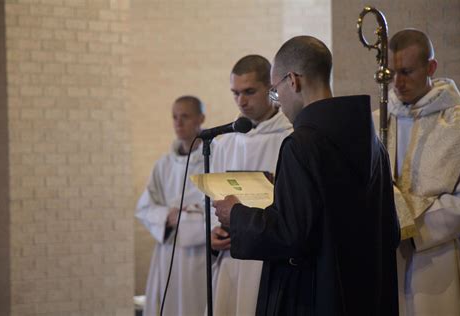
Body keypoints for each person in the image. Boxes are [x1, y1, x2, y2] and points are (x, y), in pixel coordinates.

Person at [214, 36, 400, 315]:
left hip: (314, 295)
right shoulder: (372, 140)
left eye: (275, 91)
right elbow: (391, 230)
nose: (278, 101)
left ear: (293, 81)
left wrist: (236, 214)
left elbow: (290, 235)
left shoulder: (301, 144)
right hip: (366, 293)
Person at [385, 29, 460, 316]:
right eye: (391, 72)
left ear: (431, 67)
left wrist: (407, 222)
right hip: (384, 257)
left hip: (435, 257)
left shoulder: (458, 124)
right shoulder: (378, 120)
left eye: (406, 71)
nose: (398, 82)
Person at [210, 55, 293, 315]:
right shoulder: (224, 142)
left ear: (270, 88)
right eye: (235, 93)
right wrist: (212, 233)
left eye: (249, 92)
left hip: (267, 257)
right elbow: (213, 198)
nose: (241, 102)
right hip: (231, 257)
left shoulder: (289, 138)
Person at [135, 96, 208, 316]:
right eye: (175, 117)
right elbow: (144, 208)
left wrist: (184, 219)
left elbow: (217, 210)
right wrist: (168, 215)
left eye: (185, 116)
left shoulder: (213, 160)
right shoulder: (163, 165)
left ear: (200, 119)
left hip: (199, 256)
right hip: (167, 253)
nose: (178, 123)